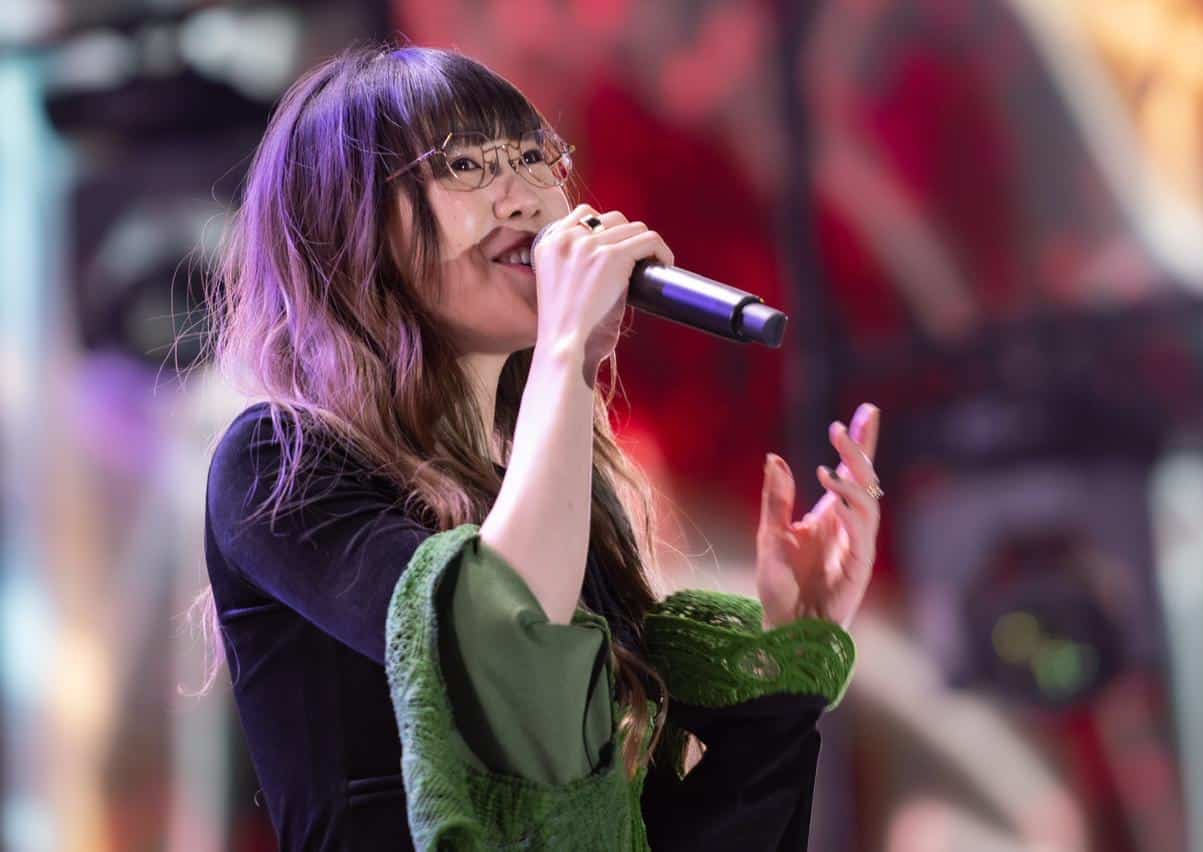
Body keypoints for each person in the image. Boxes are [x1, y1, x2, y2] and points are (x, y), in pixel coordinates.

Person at [197, 42, 881, 851]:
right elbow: (503, 650)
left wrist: (791, 660)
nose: (524, 197)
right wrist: (567, 351)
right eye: (464, 165)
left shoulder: (560, 496)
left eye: (532, 156)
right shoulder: (281, 461)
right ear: (349, 224)